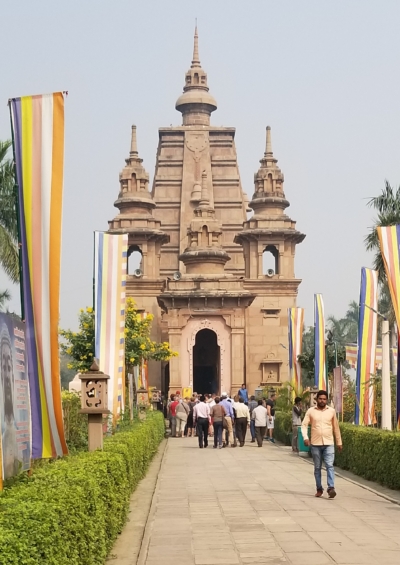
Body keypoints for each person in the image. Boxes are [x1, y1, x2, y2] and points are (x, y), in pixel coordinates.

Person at [301, 390, 342, 498]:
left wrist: (339, 442)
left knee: (329, 465)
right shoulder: (311, 411)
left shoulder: (331, 411)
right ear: (316, 400)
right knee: (317, 467)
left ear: (327, 400)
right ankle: (319, 488)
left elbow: (336, 428)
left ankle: (331, 488)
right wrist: (305, 437)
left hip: (329, 443)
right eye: (320, 399)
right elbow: (304, 425)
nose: (322, 401)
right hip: (315, 444)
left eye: (324, 399)